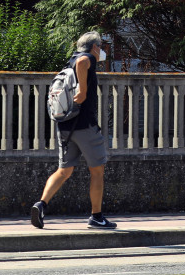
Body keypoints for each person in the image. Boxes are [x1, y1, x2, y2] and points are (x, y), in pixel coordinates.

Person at [30, 31, 116, 230]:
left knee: (64, 170)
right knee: (97, 171)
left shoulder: (70, 61)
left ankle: (40, 205)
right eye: (100, 47)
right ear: (94, 47)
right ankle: (96, 217)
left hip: (66, 126)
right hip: (85, 126)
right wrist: (83, 91)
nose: (101, 51)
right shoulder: (86, 58)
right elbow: (83, 64)